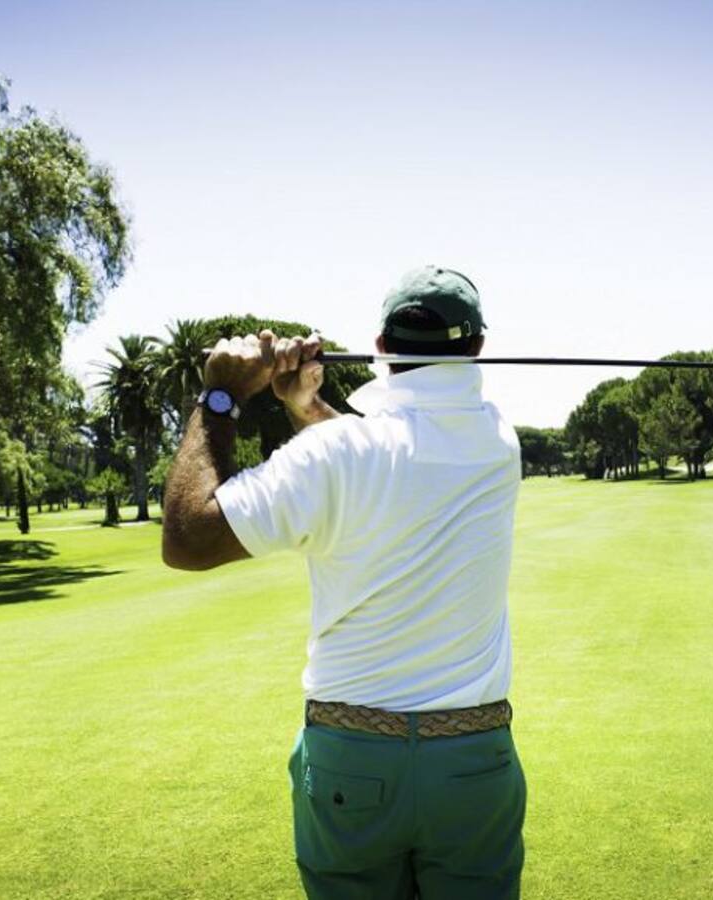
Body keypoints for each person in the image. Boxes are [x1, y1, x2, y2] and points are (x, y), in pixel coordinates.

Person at [162, 266, 526, 899]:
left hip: (350, 760)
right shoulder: (497, 440)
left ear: (381, 348)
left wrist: (221, 397)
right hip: (473, 762)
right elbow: (385, 452)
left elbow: (188, 538)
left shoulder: (337, 454)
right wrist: (307, 407)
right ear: (476, 350)